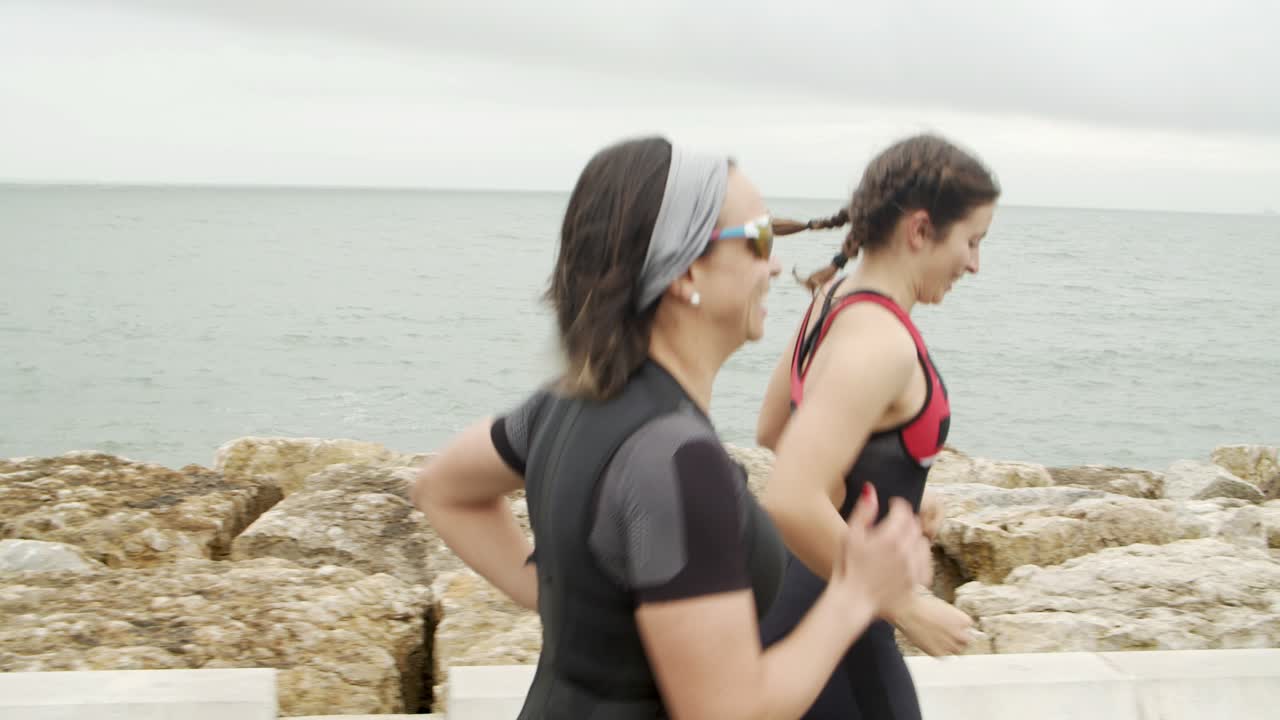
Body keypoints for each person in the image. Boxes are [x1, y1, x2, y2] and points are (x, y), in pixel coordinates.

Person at [410, 136, 930, 719]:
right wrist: (855, 595)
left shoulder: (562, 405)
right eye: (758, 239)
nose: (777, 262)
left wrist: (570, 603)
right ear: (684, 273)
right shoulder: (678, 460)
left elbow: (442, 488)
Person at [756, 133, 1001, 720]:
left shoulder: (831, 300)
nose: (975, 263)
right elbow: (789, 495)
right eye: (971, 241)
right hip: (842, 637)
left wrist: (889, 501)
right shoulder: (882, 342)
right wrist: (906, 603)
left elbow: (773, 430)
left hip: (804, 609)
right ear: (919, 230)